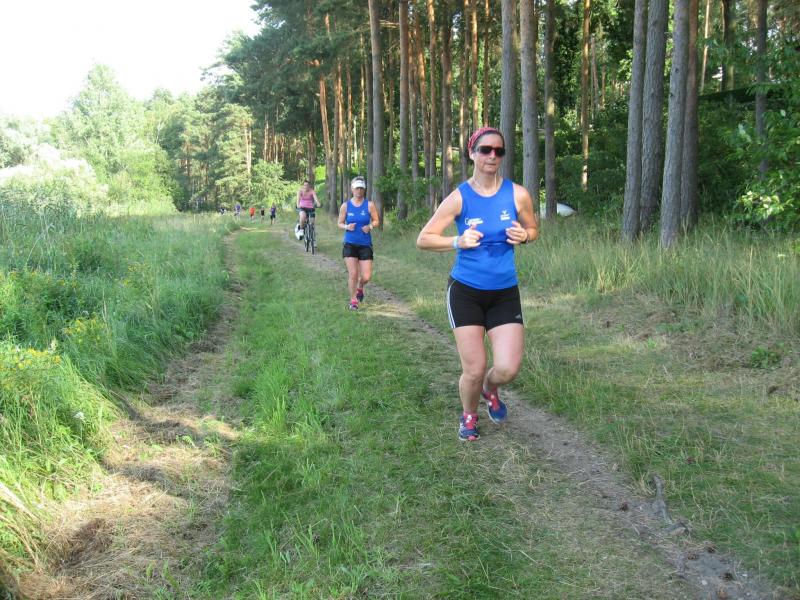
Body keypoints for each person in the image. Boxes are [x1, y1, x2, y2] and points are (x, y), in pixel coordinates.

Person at [416, 127, 538, 442]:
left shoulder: (517, 194)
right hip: (466, 292)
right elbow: (424, 239)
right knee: (474, 367)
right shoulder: (460, 197)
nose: (492, 156)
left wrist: (525, 236)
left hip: (504, 292)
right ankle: (469, 415)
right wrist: (457, 241)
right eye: (485, 150)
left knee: (508, 368)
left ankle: (490, 388)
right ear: (472, 153)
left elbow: (533, 228)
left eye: (499, 151)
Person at [338, 176, 379, 311]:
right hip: (349, 243)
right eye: (357, 188)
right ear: (352, 189)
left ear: (364, 189)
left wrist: (370, 227)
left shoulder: (369, 205)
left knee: (366, 276)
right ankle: (353, 301)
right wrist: (346, 227)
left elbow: (376, 221)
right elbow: (339, 223)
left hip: (365, 244)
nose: (359, 191)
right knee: (353, 274)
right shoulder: (345, 206)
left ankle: (360, 287)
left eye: (361, 188)